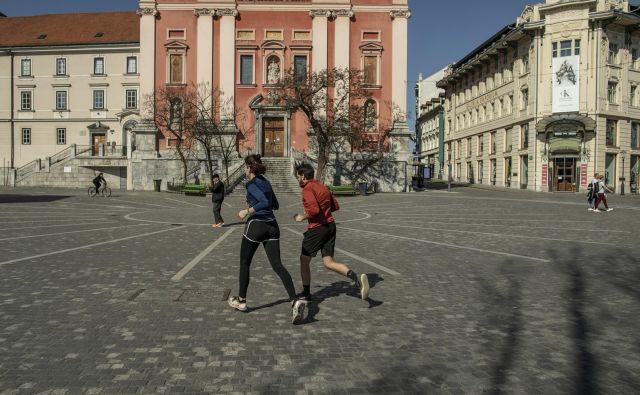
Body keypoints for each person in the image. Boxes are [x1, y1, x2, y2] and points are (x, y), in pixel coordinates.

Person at [227, 154, 305, 324]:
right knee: (277, 265)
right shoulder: (266, 182)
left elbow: (263, 201)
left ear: (249, 167)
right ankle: (294, 300)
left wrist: (247, 210)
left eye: (245, 167)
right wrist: (255, 201)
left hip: (256, 226)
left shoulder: (252, 184)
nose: (244, 170)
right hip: (272, 227)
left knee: (245, 262)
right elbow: (274, 205)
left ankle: (241, 301)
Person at [293, 162, 369, 301]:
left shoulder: (308, 189)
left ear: (303, 176)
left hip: (317, 229)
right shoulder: (322, 186)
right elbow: (335, 206)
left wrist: (302, 216)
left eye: (298, 176)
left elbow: (314, 210)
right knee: (328, 262)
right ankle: (356, 278)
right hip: (330, 226)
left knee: (304, 260)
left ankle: (306, 294)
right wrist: (323, 210)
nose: (298, 179)